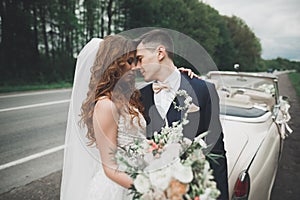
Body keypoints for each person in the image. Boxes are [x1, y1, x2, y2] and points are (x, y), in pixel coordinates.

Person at [135, 29, 229, 200]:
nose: (138, 66)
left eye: (140, 59)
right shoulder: (140, 97)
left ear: (160, 53)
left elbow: (216, 150)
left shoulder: (204, 90)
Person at [60, 35, 146, 200]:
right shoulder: (106, 105)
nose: (134, 67)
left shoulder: (124, 98)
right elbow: (110, 167)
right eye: (129, 61)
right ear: (114, 65)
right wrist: (148, 189)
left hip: (136, 177)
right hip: (119, 187)